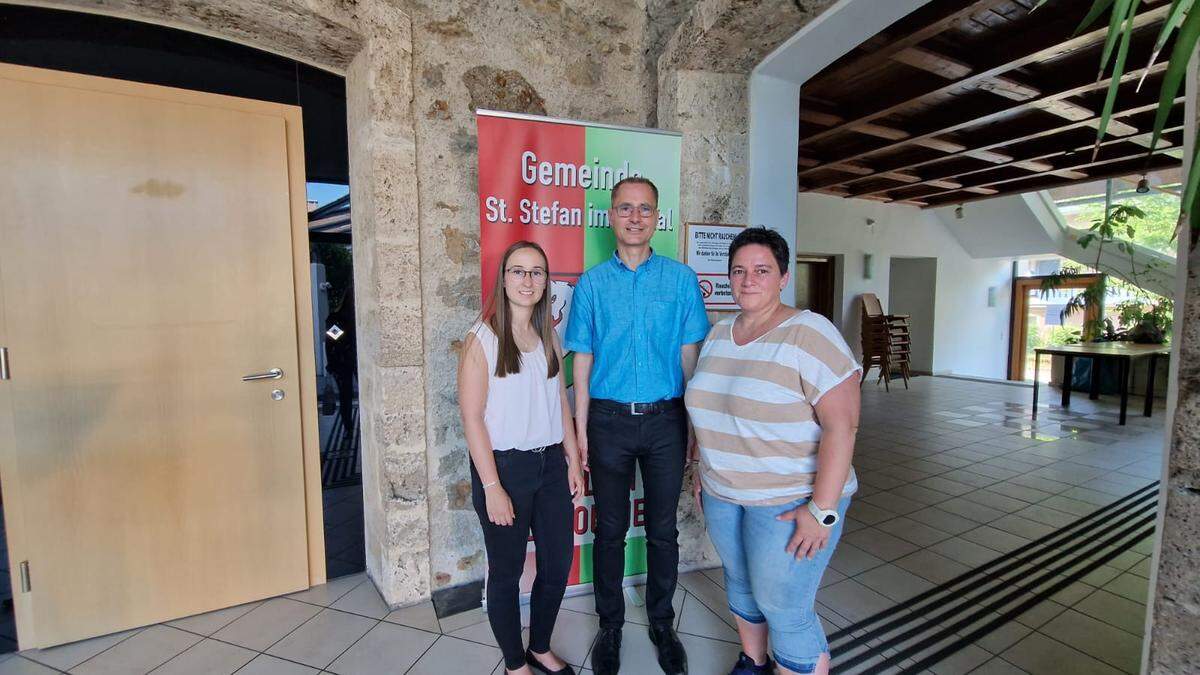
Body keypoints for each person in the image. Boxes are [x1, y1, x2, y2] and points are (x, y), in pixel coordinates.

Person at [685, 227, 861, 675]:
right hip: (725, 492)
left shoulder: (809, 332)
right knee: (741, 587)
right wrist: (703, 470)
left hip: (790, 499)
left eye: (761, 270)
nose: (748, 279)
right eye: (739, 270)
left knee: (785, 607)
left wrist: (822, 510)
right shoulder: (721, 333)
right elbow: (711, 408)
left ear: (783, 276)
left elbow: (843, 427)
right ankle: (753, 661)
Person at [564, 176, 710, 675]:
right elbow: (581, 361)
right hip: (607, 421)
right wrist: (581, 430)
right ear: (611, 215)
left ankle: (662, 624)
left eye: (644, 209)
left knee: (663, 529)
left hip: (666, 420)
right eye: (624, 208)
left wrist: (695, 426)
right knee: (609, 531)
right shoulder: (591, 284)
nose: (634, 217)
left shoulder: (681, 280)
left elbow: (691, 356)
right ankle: (609, 627)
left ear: (656, 217)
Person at [458, 241, 586, 675]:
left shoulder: (547, 334)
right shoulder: (483, 338)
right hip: (504, 470)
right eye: (518, 271)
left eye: (536, 272)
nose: (528, 280)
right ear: (504, 278)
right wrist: (492, 487)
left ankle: (541, 646)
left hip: (550, 465)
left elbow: (560, 405)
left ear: (546, 281)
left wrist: (571, 458)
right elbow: (472, 418)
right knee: (508, 572)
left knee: (556, 564)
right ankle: (516, 664)